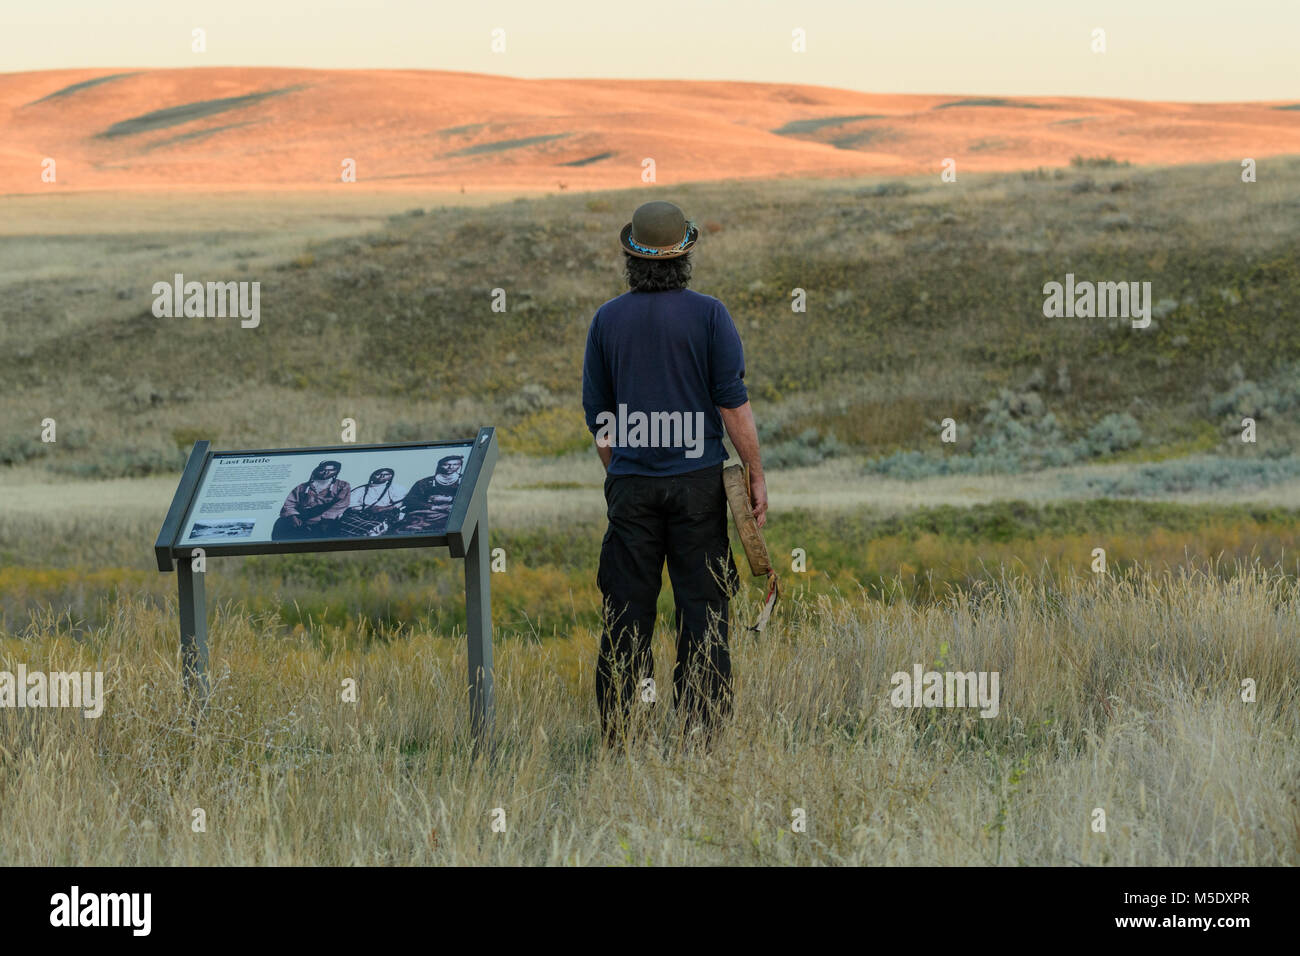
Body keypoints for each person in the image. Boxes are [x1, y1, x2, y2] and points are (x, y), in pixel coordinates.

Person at [582, 199, 767, 748]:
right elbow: (733, 406)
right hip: (698, 489)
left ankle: (621, 737)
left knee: (626, 613)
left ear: (632, 257)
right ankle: (702, 735)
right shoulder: (710, 315)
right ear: (684, 255)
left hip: (633, 490)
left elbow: (601, 421)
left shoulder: (607, 319)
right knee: (704, 608)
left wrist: (623, 476)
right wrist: (755, 473)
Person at [272, 460, 351, 540]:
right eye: (323, 470)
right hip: (302, 517)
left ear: (336, 472)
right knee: (281, 524)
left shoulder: (342, 486)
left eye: (331, 470)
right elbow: (289, 504)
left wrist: (322, 519)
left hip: (325, 519)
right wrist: (293, 516)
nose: (325, 473)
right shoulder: (302, 487)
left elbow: (341, 505)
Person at [392, 455, 464, 535]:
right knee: (404, 529)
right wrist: (434, 507)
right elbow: (410, 500)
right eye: (446, 464)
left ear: (460, 465)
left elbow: (471, 498)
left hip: (451, 515)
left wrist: (449, 499)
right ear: (440, 465)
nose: (450, 467)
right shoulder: (425, 482)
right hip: (424, 514)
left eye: (455, 464)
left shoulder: (465, 480)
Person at [338, 467, 407, 537]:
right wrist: (366, 508)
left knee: (380, 526)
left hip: (384, 514)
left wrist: (383, 508)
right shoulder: (360, 489)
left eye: (386, 474)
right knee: (345, 521)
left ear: (391, 476)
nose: (382, 476)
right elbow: (350, 504)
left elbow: (400, 503)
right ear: (372, 475)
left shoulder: (396, 488)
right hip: (363, 514)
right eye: (378, 474)